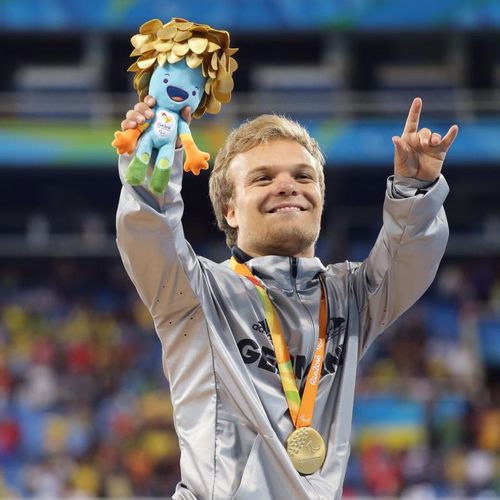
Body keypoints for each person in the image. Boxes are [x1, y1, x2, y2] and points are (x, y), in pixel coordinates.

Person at [116, 95, 458, 499]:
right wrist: (156, 155)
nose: (286, 186)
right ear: (230, 210)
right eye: (262, 178)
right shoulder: (195, 294)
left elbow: (409, 259)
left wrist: (415, 189)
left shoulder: (349, 296)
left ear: (320, 200)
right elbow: (149, 231)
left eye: (303, 176)